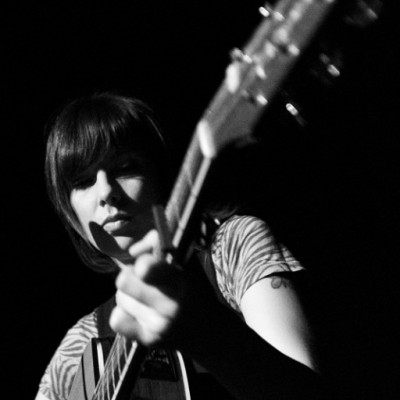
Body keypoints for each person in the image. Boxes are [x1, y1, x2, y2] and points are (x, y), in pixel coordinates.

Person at [35, 92, 326, 400]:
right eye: (83, 182)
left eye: (125, 167)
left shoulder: (233, 247)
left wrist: (204, 332)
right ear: (70, 213)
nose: (106, 191)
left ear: (160, 175)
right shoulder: (80, 343)